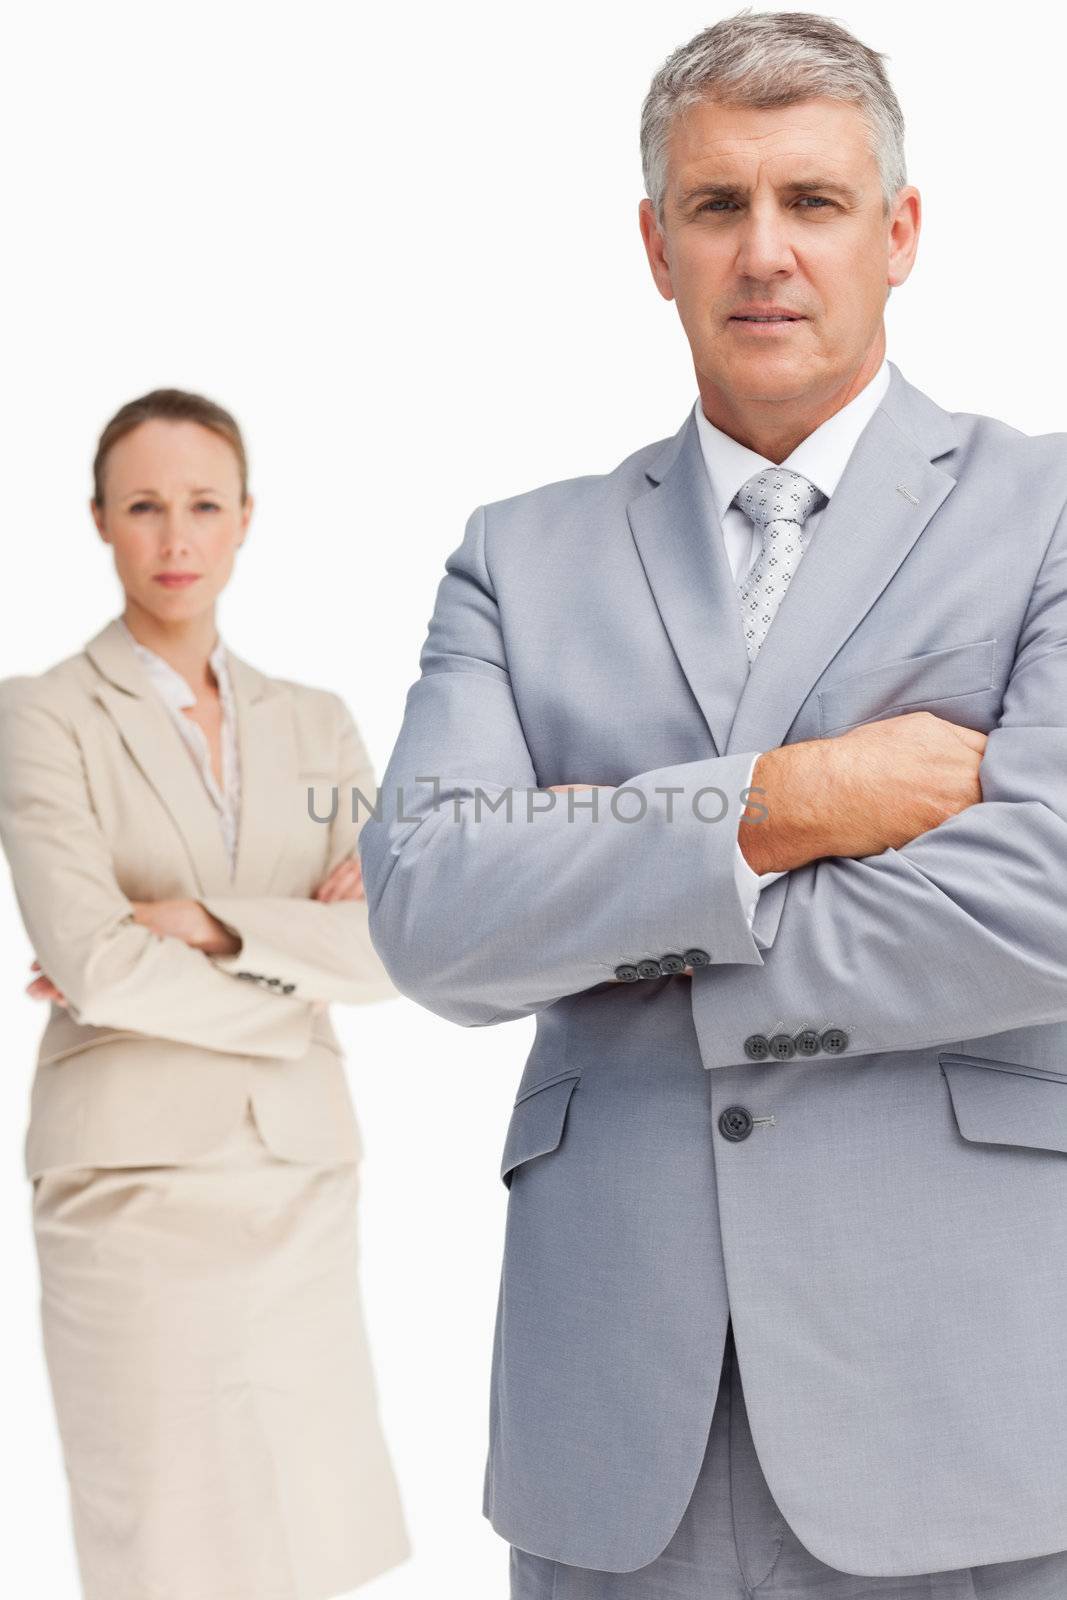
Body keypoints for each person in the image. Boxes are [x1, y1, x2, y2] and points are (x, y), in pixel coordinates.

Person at [357, 10, 1067, 1598]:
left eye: (810, 203)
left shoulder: (1043, 514)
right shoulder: (516, 556)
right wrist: (781, 801)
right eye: (714, 206)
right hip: (614, 1428)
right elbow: (423, 906)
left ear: (896, 235)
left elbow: (1041, 899)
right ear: (651, 243)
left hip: (958, 1410)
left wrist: (610, 905)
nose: (763, 253)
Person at [0, 388, 411, 1600]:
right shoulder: (41, 717)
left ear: (244, 521)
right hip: (132, 1186)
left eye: (200, 506)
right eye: (143, 507)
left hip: (297, 1173)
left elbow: (395, 945)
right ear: (99, 522)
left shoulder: (317, 722)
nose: (174, 539)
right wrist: (298, 962)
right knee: (167, 1547)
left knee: (310, 1531)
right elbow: (94, 962)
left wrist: (210, 924)